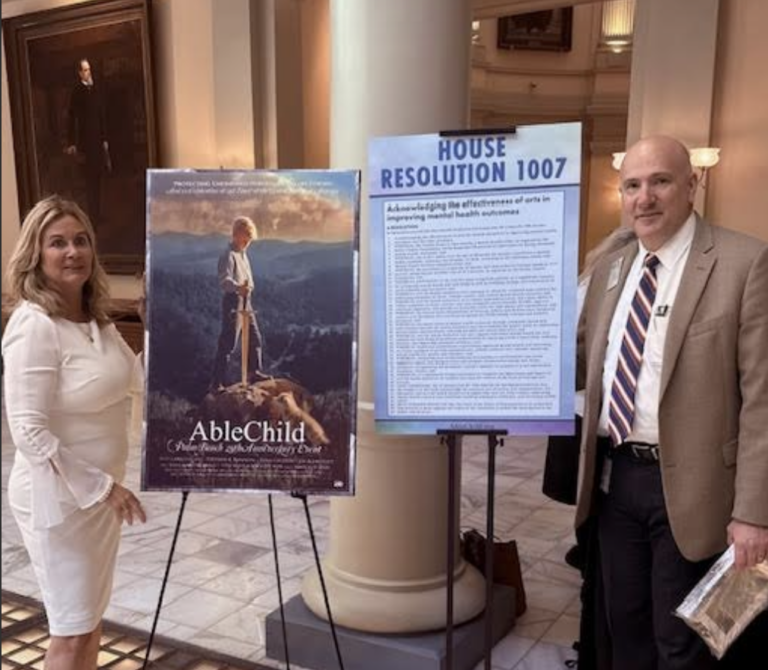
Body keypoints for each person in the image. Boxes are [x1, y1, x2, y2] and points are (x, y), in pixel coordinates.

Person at [575, 135, 768, 670]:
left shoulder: (744, 262)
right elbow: (583, 361)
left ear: (692, 184)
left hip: (695, 490)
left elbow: (762, 400)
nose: (645, 198)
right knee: (624, 630)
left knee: (680, 645)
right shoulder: (613, 268)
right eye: (632, 185)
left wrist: (753, 513)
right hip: (616, 482)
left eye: (660, 181)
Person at [3, 195, 146, 670]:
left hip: (100, 501)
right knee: (70, 629)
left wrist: (158, 331)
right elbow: (28, 431)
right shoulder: (34, 325)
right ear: (35, 255)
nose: (72, 252)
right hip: (59, 501)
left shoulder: (96, 319)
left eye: (81, 240)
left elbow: (136, 382)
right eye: (57, 242)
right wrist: (104, 488)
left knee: (89, 620)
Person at [210, 215, 267, 389]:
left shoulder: (243, 254)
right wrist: (238, 287)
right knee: (228, 343)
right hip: (233, 301)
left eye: (250, 237)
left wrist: (248, 288)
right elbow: (224, 281)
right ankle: (216, 382)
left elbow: (248, 279)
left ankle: (253, 372)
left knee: (254, 338)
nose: (248, 241)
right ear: (237, 234)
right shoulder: (228, 255)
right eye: (246, 236)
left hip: (246, 300)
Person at [65, 58, 111, 227]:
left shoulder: (95, 90)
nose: (88, 73)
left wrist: (104, 139)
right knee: (90, 182)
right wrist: (71, 142)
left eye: (89, 69)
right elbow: (71, 118)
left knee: (97, 180)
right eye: (85, 70)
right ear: (80, 73)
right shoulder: (77, 92)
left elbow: (101, 115)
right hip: (85, 144)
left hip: (98, 143)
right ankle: (92, 219)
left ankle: (96, 215)